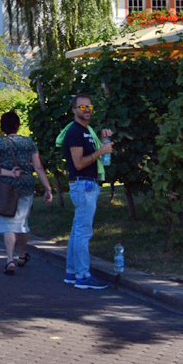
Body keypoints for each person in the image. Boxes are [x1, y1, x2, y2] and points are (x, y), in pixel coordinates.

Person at [0, 111, 54, 275]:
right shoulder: (29, 142)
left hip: (5, 188)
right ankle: (22, 256)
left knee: (8, 224)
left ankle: (10, 260)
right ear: (18, 125)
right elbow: (38, 167)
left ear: (2, 126)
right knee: (22, 223)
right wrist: (48, 188)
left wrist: (8, 172)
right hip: (26, 186)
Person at [61, 94, 113, 290]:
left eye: (90, 107)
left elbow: (92, 153)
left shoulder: (86, 131)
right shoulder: (75, 132)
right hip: (83, 185)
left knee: (77, 231)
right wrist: (101, 151)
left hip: (86, 185)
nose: (87, 110)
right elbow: (79, 163)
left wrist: (103, 140)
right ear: (74, 110)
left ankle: (72, 273)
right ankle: (83, 275)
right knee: (84, 232)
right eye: (82, 107)